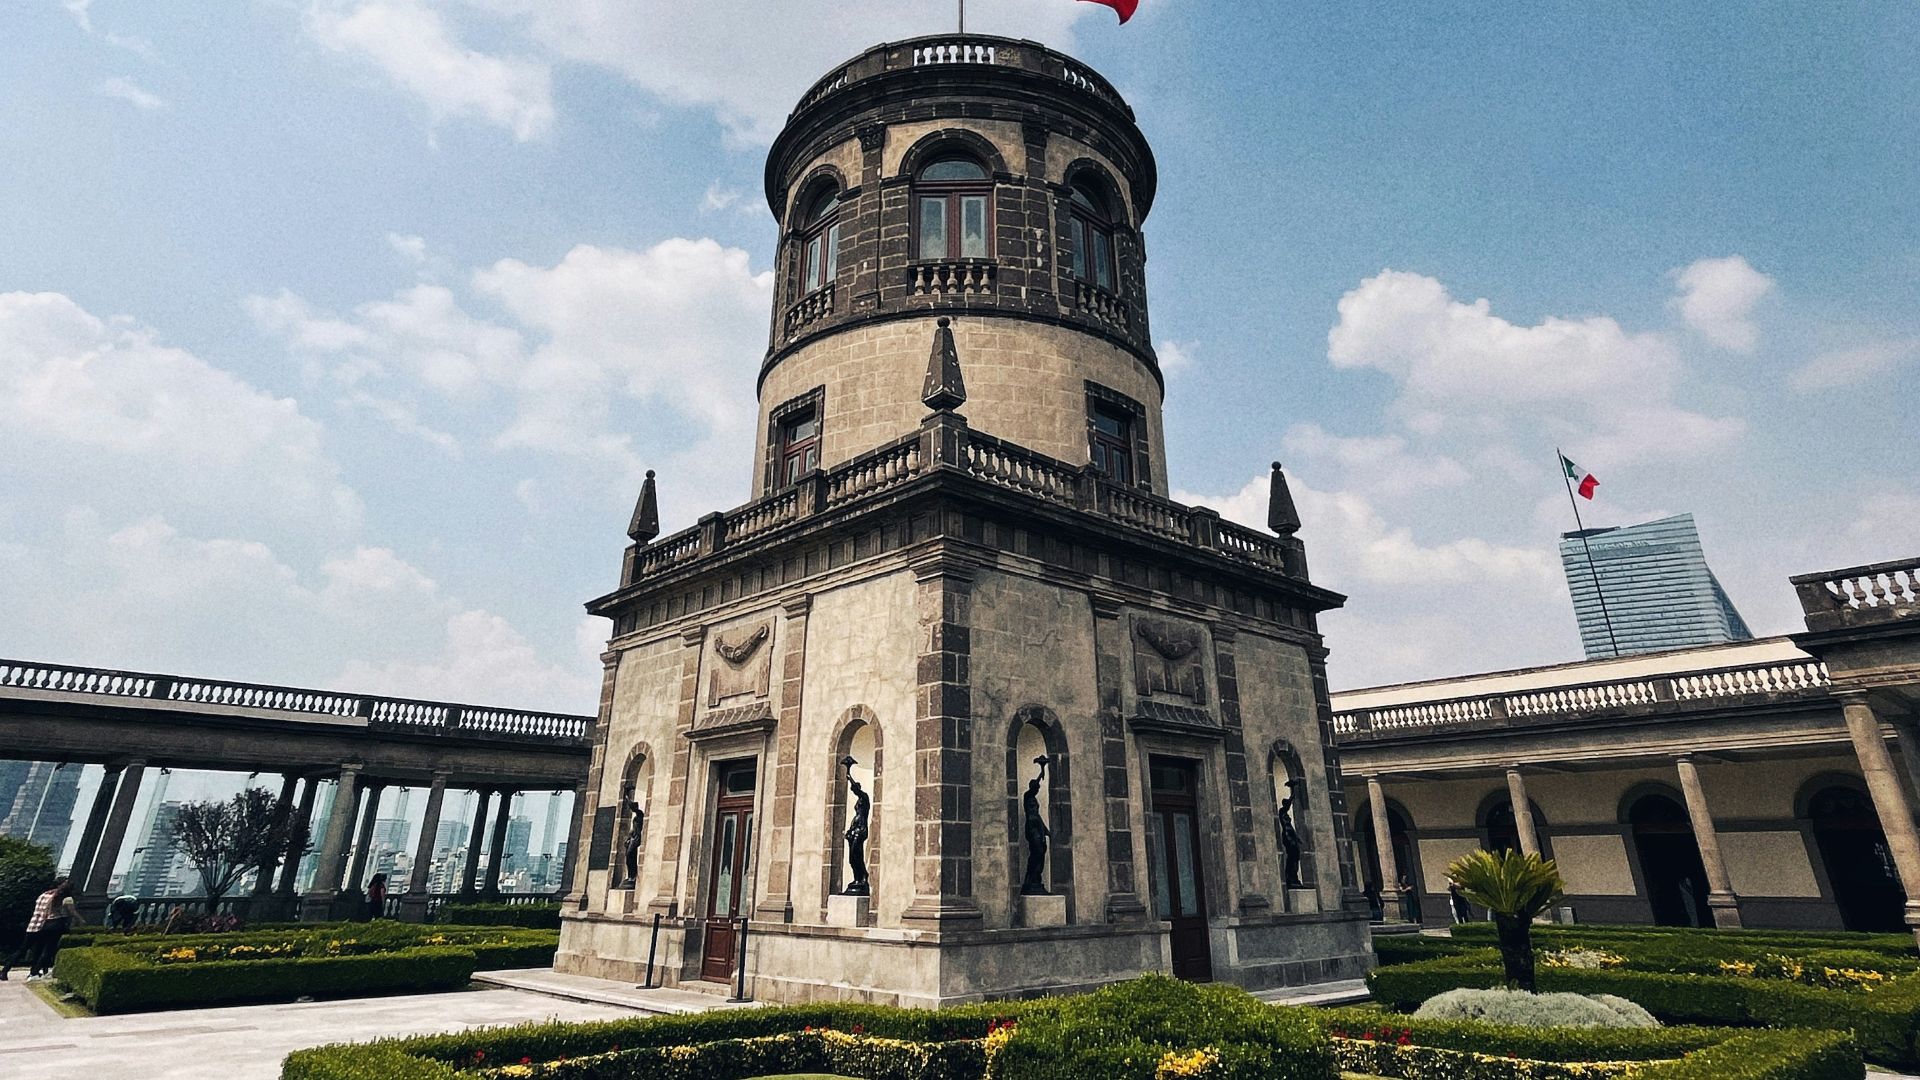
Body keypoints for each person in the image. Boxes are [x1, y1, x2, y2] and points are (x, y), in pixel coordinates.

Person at [2, 878, 84, 981]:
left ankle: (5, 969)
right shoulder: (62, 898)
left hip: (33, 925)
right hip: (46, 924)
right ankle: (34, 972)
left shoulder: (44, 895)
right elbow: (69, 912)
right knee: (44, 950)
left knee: (23, 950)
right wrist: (80, 921)